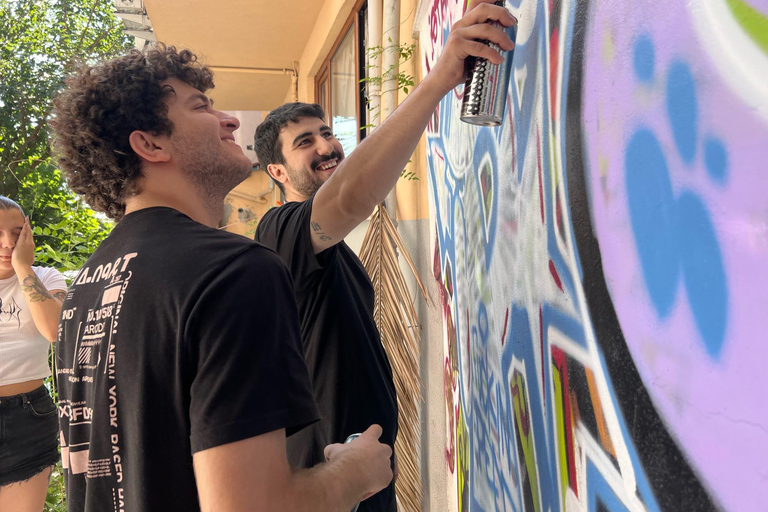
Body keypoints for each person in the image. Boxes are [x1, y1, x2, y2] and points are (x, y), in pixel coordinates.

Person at [50, 44, 392, 512]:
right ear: (150, 144)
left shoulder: (86, 287)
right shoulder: (232, 270)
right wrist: (356, 471)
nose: (230, 120)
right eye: (200, 106)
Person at [253, 1, 516, 510]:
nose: (326, 146)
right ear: (278, 173)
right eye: (305, 143)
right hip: (330, 478)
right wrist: (439, 80)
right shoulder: (278, 232)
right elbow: (351, 197)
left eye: (327, 133)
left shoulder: (328, 250)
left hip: (359, 470)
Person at [0, 196, 67, 512]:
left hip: (27, 416)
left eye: (16, 232)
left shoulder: (47, 277)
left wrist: (23, 266)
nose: (7, 243)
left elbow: (54, 330)